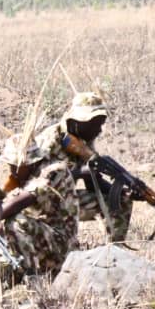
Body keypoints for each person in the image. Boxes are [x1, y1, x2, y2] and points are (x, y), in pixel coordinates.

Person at [0, 134, 79, 283]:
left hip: (62, 245)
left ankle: (32, 278)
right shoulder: (23, 176)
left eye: (14, 166)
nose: (11, 169)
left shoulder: (53, 171)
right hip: (40, 243)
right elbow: (0, 199)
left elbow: (15, 204)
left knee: (16, 222)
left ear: (29, 162)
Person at [34, 91, 130, 241]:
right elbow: (37, 186)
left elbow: (93, 184)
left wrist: (121, 191)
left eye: (100, 124)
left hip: (66, 199)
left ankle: (114, 251)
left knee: (121, 200)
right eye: (94, 125)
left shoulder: (84, 139)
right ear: (76, 121)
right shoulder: (49, 141)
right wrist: (79, 172)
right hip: (40, 204)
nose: (98, 130)